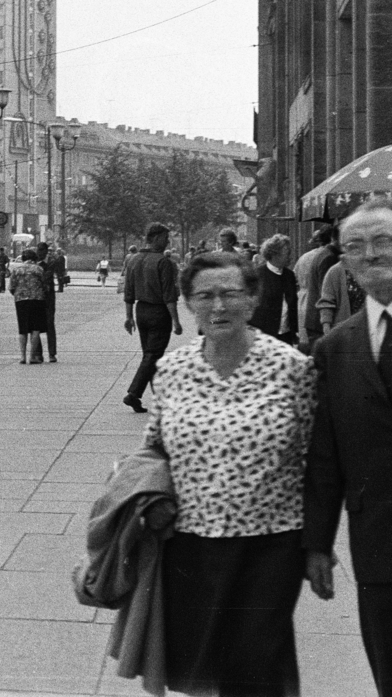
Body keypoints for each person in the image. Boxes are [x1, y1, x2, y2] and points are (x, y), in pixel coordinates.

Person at [144, 250, 316, 697]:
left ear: (253, 299)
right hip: (189, 544)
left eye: (230, 294)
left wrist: (319, 546)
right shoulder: (170, 371)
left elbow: (317, 457)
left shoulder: (292, 368)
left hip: (270, 544)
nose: (218, 307)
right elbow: (153, 450)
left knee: (257, 663)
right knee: (199, 666)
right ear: (188, 303)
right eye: (205, 296)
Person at [303, 200, 392, 696]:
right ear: (345, 262)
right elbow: (325, 457)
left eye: (384, 241)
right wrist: (317, 542)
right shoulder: (335, 349)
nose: (372, 255)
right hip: (380, 547)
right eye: (356, 247)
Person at [122, 223, 184, 413]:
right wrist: (176, 320)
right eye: (165, 238)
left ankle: (158, 397)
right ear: (155, 238)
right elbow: (169, 295)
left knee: (150, 355)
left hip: (141, 311)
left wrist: (128, 316)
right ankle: (134, 393)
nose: (167, 242)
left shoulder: (133, 260)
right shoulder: (162, 262)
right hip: (159, 312)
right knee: (153, 355)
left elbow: (128, 291)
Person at [294, 227, 338, 352]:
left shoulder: (305, 257)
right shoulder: (328, 257)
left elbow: (295, 276)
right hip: (317, 307)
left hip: (305, 301)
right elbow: (325, 290)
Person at [251, 234, 299, 344]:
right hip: (264, 336)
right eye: (287, 253)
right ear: (274, 254)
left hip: (286, 335)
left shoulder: (289, 275)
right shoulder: (257, 275)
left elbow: (293, 304)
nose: (290, 257)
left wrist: (295, 331)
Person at [8, 248, 48, 365]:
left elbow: (11, 287)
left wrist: (18, 294)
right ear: (34, 259)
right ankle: (32, 356)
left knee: (22, 329)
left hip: (21, 300)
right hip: (37, 300)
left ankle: (22, 356)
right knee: (35, 329)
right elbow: (45, 286)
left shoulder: (16, 270)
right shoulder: (39, 269)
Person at [317, 256, 366, 333]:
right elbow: (326, 303)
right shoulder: (335, 271)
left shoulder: (371, 269)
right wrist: (326, 328)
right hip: (344, 331)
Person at [34, 242, 60, 361]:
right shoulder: (34, 262)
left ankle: (52, 353)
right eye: (38, 250)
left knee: (50, 324)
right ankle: (38, 353)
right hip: (36, 297)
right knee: (36, 326)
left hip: (48, 297)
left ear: (45, 251)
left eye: (40, 250)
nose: (39, 253)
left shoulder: (51, 262)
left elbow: (46, 276)